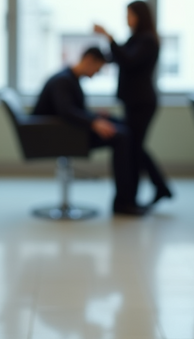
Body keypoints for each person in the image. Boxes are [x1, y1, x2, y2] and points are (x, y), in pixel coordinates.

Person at [32, 47, 146, 216]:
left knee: (120, 125)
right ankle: (123, 202)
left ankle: (130, 197)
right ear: (89, 60)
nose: (96, 74)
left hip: (64, 133)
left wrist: (96, 117)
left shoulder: (69, 78)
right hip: (56, 137)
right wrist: (94, 122)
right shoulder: (63, 81)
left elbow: (70, 110)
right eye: (98, 69)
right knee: (121, 137)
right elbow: (66, 112)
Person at [94, 1, 172, 206]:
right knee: (135, 147)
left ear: (140, 16)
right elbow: (117, 57)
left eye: (129, 14)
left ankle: (134, 198)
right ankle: (160, 187)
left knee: (134, 150)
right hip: (134, 101)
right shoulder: (136, 38)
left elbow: (128, 60)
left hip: (142, 103)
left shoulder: (147, 40)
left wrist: (109, 37)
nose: (126, 19)